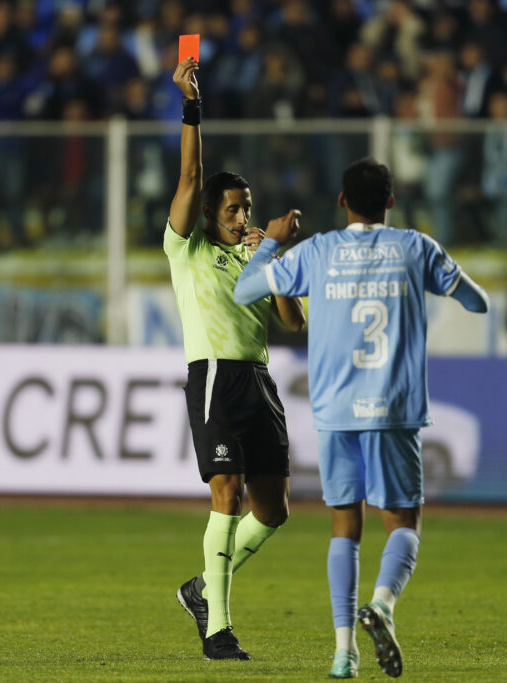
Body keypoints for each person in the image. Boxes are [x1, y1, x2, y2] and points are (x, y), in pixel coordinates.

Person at [234, 158, 490, 678]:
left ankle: (344, 652)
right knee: (404, 523)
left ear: (341, 202)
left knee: (344, 527)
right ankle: (383, 604)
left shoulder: (319, 251)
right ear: (391, 202)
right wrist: (451, 279)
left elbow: (245, 291)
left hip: (335, 410)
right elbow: (478, 303)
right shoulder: (415, 248)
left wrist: (271, 243)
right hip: (393, 407)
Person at [165, 57, 305, 661]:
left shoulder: (259, 256)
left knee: (272, 511)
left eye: (247, 207)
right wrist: (192, 105)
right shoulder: (187, 247)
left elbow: (293, 321)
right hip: (216, 375)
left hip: (260, 380)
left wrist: (271, 256)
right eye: (233, 208)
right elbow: (192, 176)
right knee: (227, 492)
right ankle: (218, 630)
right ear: (207, 213)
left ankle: (202, 588)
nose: (242, 215)